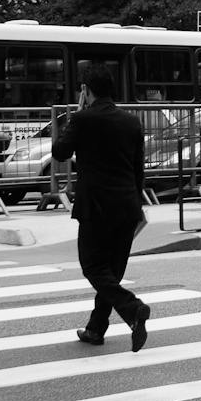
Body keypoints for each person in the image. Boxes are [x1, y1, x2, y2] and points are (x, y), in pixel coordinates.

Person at [52, 67, 151, 351]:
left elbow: (60, 152)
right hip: (126, 204)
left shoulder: (83, 119)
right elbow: (137, 169)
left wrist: (73, 118)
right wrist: (137, 203)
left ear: (86, 90)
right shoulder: (132, 122)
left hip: (95, 206)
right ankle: (97, 328)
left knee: (93, 267)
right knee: (112, 270)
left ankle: (132, 308)